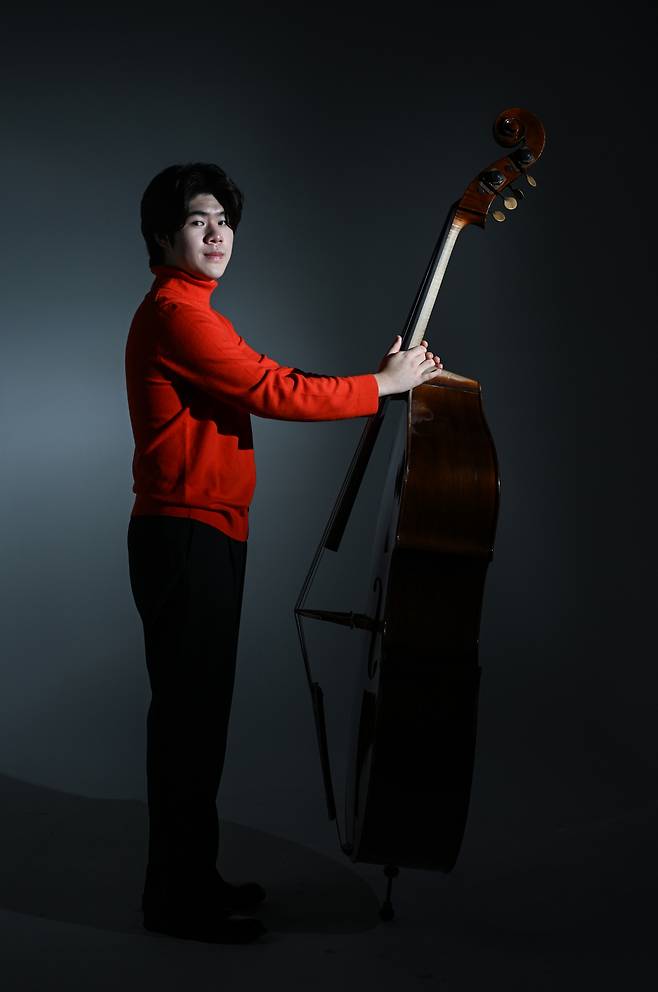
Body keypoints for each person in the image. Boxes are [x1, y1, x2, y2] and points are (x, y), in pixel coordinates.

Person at [125, 162, 443, 944]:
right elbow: (277, 392)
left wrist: (380, 380)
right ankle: (174, 902)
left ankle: (191, 880)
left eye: (225, 220)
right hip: (184, 535)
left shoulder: (195, 311)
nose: (217, 233)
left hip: (205, 533)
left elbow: (272, 380)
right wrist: (382, 384)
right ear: (164, 235)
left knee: (198, 725)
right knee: (188, 728)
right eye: (199, 220)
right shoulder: (177, 313)